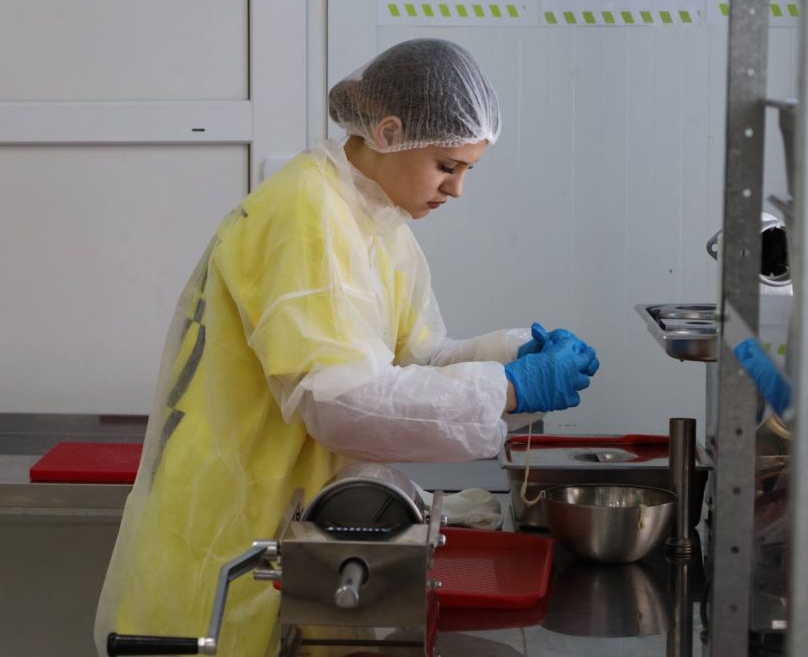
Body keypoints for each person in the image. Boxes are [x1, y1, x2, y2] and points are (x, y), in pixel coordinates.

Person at [94, 38, 599, 656]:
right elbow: (340, 401)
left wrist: (516, 355)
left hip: (305, 524)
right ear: (388, 132)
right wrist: (509, 389)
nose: (458, 189)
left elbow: (416, 359)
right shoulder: (306, 211)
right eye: (448, 165)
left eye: (469, 170)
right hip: (237, 521)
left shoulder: (378, 221)